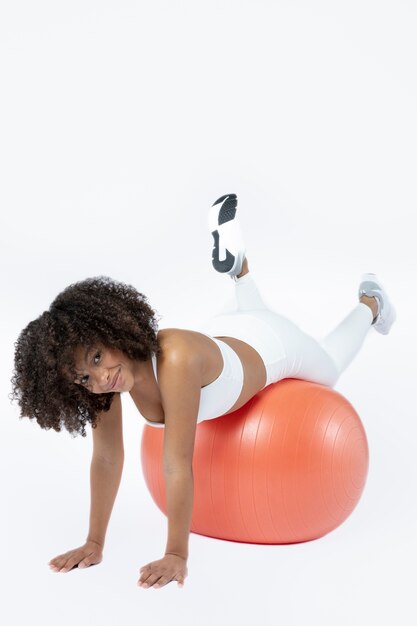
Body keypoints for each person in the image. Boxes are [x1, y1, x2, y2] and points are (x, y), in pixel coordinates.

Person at [10, 193, 396, 590]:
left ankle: (371, 304)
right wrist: (94, 543)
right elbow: (107, 458)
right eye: (83, 378)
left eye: (96, 357)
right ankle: (239, 267)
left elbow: (177, 462)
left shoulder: (174, 361)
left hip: (272, 346)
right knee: (251, 310)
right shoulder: (107, 384)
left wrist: (176, 553)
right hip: (224, 334)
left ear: (110, 331)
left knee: (328, 367)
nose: (100, 377)